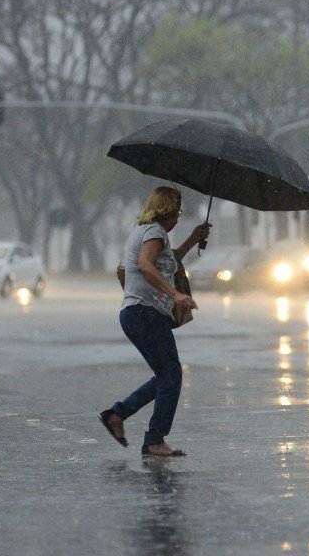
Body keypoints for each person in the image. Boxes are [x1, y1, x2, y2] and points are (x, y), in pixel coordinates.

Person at [98, 186, 210, 457]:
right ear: (167, 210)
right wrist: (176, 294)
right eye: (178, 212)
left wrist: (194, 238)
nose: (178, 218)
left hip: (138, 314)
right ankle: (154, 439)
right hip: (144, 313)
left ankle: (118, 415)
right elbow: (145, 266)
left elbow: (169, 263)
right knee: (171, 374)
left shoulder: (151, 233)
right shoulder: (154, 233)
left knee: (166, 374)